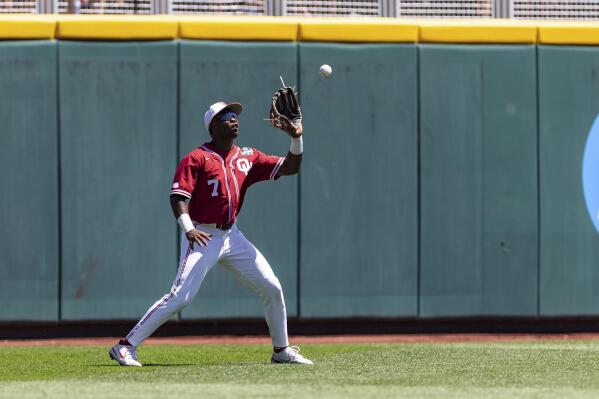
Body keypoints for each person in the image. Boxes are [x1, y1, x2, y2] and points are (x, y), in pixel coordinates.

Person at [108, 100, 312, 366]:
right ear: (213, 126)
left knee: (272, 287)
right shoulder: (197, 157)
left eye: (235, 115)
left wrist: (297, 138)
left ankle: (281, 350)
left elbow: (290, 167)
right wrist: (189, 228)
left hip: (231, 236)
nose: (234, 119)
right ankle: (124, 346)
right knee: (180, 297)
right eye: (226, 116)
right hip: (202, 234)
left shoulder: (247, 157)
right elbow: (178, 196)